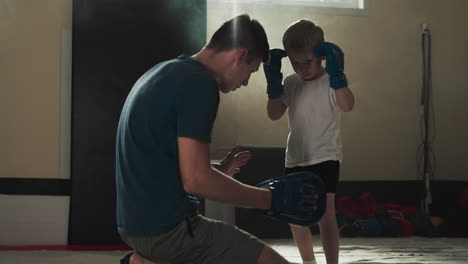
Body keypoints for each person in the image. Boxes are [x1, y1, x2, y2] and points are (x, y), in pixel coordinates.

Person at [116, 14, 314, 264]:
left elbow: (166, 164)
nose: (245, 82)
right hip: (168, 231)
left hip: (133, 226)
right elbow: (196, 180)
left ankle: (144, 260)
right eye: (250, 72)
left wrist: (220, 171)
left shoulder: (164, 72)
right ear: (239, 56)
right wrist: (270, 199)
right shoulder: (199, 84)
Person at [263, 19, 355, 264]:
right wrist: (273, 86)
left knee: (326, 215)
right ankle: (308, 262)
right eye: (295, 63)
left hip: (326, 156)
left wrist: (338, 76)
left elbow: (347, 106)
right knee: (294, 215)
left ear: (323, 55)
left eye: (308, 61)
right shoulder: (291, 83)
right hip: (295, 157)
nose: (302, 69)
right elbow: (274, 114)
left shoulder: (330, 81)